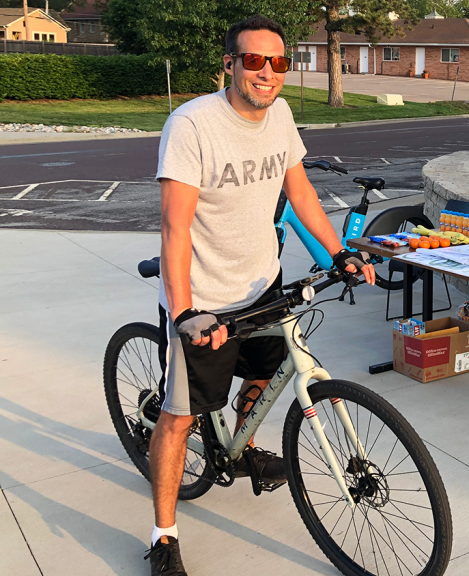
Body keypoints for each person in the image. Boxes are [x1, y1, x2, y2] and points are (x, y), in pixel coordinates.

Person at [144, 15, 376, 576]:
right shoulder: (192, 125)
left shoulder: (282, 115)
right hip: (206, 303)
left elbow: (300, 191)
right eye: (254, 61)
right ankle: (164, 535)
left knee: (262, 375)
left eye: (279, 62)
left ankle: (240, 448)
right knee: (181, 418)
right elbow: (174, 228)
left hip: (262, 286)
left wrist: (339, 253)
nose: (268, 73)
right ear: (229, 64)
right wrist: (185, 313)